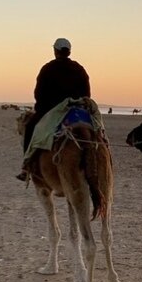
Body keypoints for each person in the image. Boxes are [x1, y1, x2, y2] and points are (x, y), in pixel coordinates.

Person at [17, 37, 91, 180]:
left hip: (52, 111)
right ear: (69, 52)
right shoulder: (80, 69)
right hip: (76, 110)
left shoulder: (48, 69)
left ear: (55, 51)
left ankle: (27, 167)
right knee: (98, 131)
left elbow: (38, 94)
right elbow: (87, 94)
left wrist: (41, 109)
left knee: (31, 127)